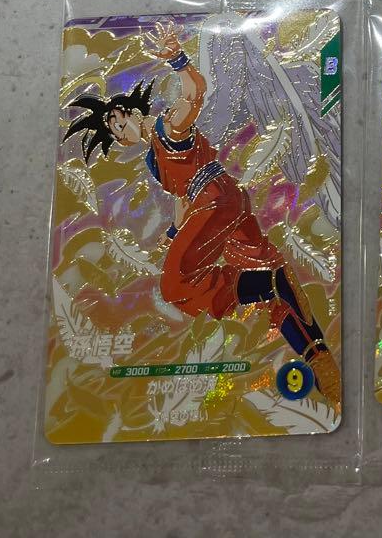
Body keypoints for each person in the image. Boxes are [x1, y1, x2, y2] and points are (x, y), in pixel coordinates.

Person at [63, 22, 340, 407]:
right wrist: (174, 233)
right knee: (270, 275)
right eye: (115, 134)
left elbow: (194, 93)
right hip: (224, 204)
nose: (120, 134)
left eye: (118, 123)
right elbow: (181, 197)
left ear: (131, 112)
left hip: (214, 202)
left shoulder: (167, 127)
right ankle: (319, 357)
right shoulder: (154, 155)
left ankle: (267, 286)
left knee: (177, 285)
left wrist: (177, 58)